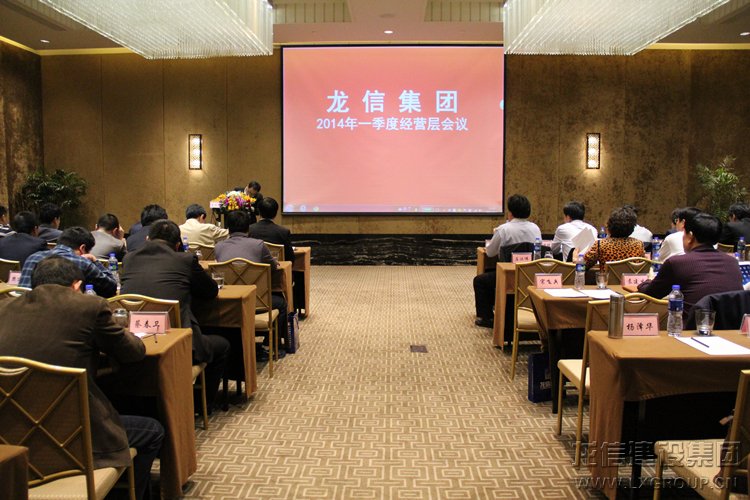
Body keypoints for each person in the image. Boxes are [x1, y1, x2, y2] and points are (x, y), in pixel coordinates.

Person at [0, 257, 163, 500]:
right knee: (152, 430)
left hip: (9, 435)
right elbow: (132, 352)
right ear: (77, 285)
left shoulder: (4, 307)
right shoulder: (89, 306)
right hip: (71, 435)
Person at [120, 220, 230, 408]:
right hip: (177, 343)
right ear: (178, 245)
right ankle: (200, 405)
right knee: (223, 345)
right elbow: (210, 291)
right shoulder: (185, 260)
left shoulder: (129, 259)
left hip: (135, 339)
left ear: (147, 239)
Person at [638, 213, 743, 319]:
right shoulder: (733, 262)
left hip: (693, 326)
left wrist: (648, 280)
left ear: (690, 236)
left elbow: (651, 293)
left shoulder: (676, 263)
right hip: (731, 327)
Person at [216, 209, 286, 359]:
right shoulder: (258, 245)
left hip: (229, 303)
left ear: (227, 228)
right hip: (256, 302)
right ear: (248, 227)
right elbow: (273, 267)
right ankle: (273, 347)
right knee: (281, 304)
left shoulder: (219, 246)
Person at [473, 194, 542, 328]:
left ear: (510, 212)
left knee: (480, 281)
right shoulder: (535, 228)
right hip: (531, 275)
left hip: (509, 276)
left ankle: (487, 317)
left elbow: (490, 253)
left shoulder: (503, 229)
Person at [19, 226, 119, 297]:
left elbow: (20, 292)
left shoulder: (32, 258)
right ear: (82, 248)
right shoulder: (82, 262)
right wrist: (95, 261)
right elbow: (111, 288)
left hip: (26, 314)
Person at [249, 197, 295, 266]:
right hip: (277, 270)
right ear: (276, 213)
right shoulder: (283, 232)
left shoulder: (249, 230)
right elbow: (290, 259)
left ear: (259, 212)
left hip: (254, 269)